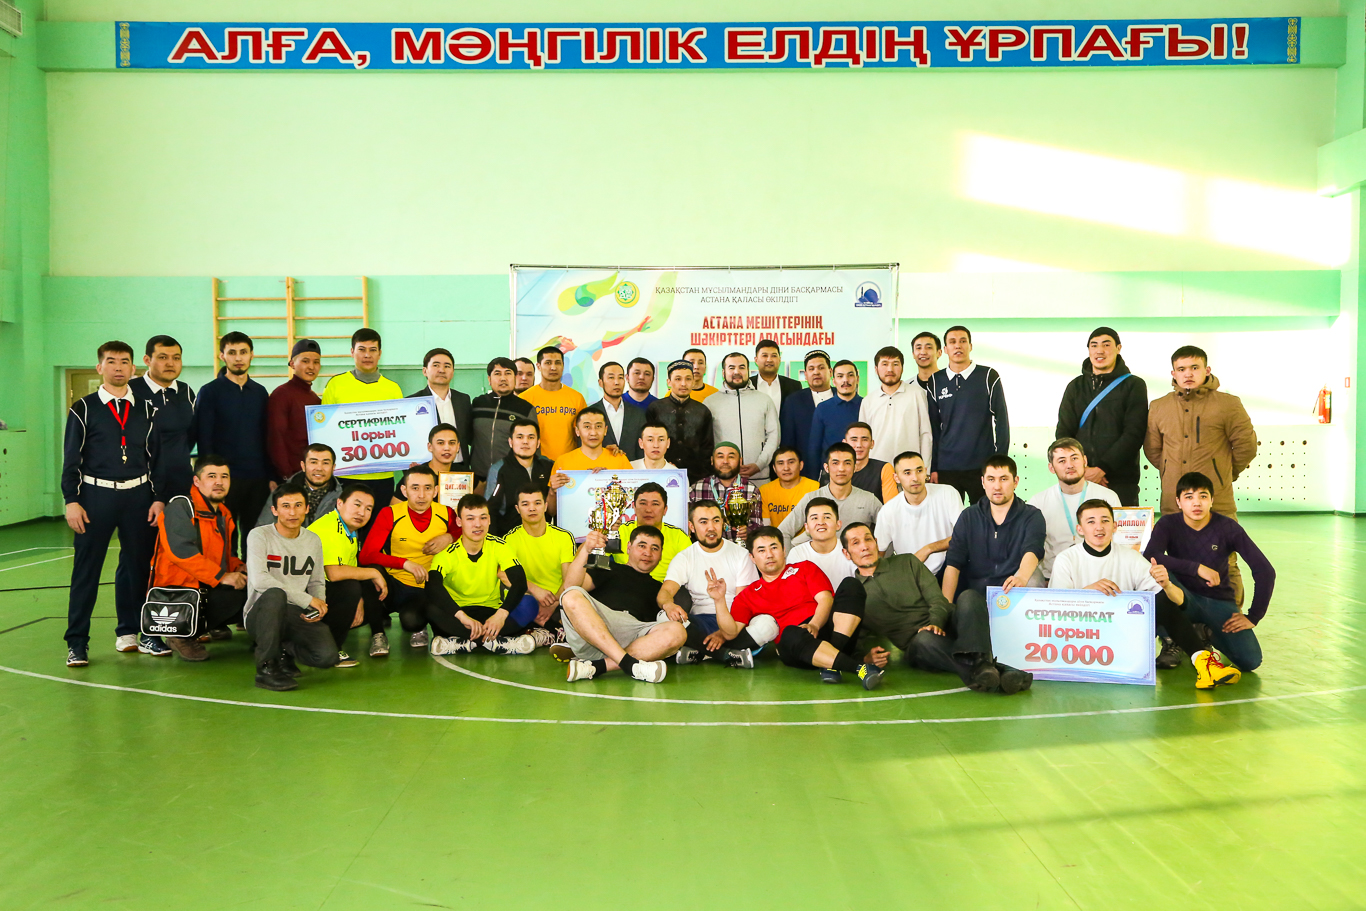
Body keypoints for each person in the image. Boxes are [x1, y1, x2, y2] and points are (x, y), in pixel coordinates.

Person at [1057, 498, 1243, 688]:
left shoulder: (1130, 557)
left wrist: (1167, 584)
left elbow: (1174, 602)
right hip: (1082, 633)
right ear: (1080, 529)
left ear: (1115, 526)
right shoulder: (1066, 559)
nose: (1099, 527)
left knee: (1161, 599)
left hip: (1120, 630)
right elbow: (1053, 607)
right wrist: (1088, 592)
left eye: (1105, 520)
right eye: (1091, 522)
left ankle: (1204, 663)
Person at [62, 340, 169, 666]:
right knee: (87, 571)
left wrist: (158, 499)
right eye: (111, 361)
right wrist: (71, 501)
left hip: (138, 497)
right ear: (100, 367)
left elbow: (156, 459)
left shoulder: (148, 409)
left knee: (139, 568)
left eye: (124, 361)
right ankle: (77, 643)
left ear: (133, 368)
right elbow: (71, 459)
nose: (118, 367)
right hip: (96, 497)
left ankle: (137, 633)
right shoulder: (83, 409)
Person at [844, 523, 1031, 694]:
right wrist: (865, 658)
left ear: (876, 542)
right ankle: (998, 670)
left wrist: (935, 622)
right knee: (924, 638)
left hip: (949, 622)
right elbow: (852, 641)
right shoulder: (855, 594)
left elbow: (937, 598)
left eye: (868, 539)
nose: (865, 546)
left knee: (969, 596)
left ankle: (986, 670)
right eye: (856, 543)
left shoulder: (907, 562)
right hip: (920, 645)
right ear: (846, 553)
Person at [1144, 345, 1258, 604]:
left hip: (1218, 501)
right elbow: (1153, 450)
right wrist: (1170, 473)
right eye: (1182, 369)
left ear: (1207, 370)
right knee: (1176, 562)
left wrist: (1224, 474)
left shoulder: (1228, 404)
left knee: (1226, 563)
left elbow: (1246, 447)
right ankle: (1187, 619)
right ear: (1173, 373)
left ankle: (1230, 617)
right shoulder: (1159, 407)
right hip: (1174, 503)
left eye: (1194, 368)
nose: (1188, 374)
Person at [699, 528, 884, 687]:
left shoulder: (805, 568)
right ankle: (857, 667)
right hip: (798, 647)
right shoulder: (748, 595)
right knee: (789, 632)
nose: (769, 554)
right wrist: (719, 600)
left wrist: (815, 624)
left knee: (851, 584)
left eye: (774, 547)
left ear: (784, 550)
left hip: (829, 631)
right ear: (752, 558)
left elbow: (825, 600)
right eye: (761, 550)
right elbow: (731, 632)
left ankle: (833, 663)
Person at [1144, 472, 1271, 675]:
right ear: (1178, 502)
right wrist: (1197, 568)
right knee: (1158, 575)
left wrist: (1254, 616)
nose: (1197, 503)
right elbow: (1150, 555)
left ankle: (1204, 632)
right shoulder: (1168, 524)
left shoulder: (1227, 528)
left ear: (1212, 500)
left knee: (1250, 660)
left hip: (1217, 601)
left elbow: (1265, 570)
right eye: (1189, 497)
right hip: (1181, 596)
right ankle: (1171, 640)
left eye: (1203, 496)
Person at [148, 455, 247, 662]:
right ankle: (180, 635)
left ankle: (210, 626)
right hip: (178, 593)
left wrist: (242, 568)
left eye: (224, 476)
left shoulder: (223, 513)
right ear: (196, 481)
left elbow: (224, 557)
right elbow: (181, 553)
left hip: (204, 585)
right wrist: (222, 577)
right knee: (235, 597)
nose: (219, 482)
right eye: (211, 476)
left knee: (257, 587)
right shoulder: (181, 507)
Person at [558, 526, 685, 683]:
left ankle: (597, 667)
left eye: (654, 548)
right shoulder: (608, 566)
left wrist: (669, 606)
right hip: (598, 625)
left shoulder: (660, 589)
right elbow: (570, 586)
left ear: (661, 555)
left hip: (633, 635)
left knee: (678, 631)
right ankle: (629, 665)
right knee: (571, 595)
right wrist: (585, 550)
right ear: (629, 547)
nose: (648, 553)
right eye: (642, 546)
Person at [244, 484, 338, 690]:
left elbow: (316, 581)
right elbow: (260, 581)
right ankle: (266, 669)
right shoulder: (259, 535)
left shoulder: (312, 540)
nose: (292, 512)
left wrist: (318, 606)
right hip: (261, 613)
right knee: (275, 594)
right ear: (274, 510)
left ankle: (283, 650)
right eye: (285, 506)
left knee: (327, 657)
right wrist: (306, 600)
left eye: (298, 505)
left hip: (294, 612)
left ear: (307, 508)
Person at [426, 494, 541, 656]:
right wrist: (462, 617)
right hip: (459, 615)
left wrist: (501, 615)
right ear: (459, 522)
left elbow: (520, 582)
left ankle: (463, 643)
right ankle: (498, 642)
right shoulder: (446, 554)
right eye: (470, 518)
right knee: (428, 606)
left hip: (491, 613)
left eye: (483, 517)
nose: (478, 524)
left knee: (529, 604)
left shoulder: (499, 546)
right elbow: (433, 586)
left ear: (489, 520)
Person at [359, 465, 457, 655]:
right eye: (415, 488)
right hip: (391, 583)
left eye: (427, 488)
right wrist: (404, 563)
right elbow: (366, 555)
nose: (421, 495)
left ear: (436, 491)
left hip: (422, 586)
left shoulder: (446, 513)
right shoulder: (390, 513)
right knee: (370, 573)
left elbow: (466, 533)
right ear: (404, 491)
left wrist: (450, 536)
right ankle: (378, 635)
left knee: (411, 621)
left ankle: (419, 626)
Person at [941, 456, 1045, 627]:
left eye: (1004, 479)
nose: (997, 486)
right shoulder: (969, 516)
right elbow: (953, 563)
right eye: (991, 479)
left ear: (1016, 481)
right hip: (974, 598)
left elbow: (1033, 549)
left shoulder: (1032, 515)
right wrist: (944, 609)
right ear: (983, 482)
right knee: (967, 599)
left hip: (1011, 593)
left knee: (1033, 579)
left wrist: (1021, 576)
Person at [1055, 328, 1149, 507]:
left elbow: (1134, 434)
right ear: (1089, 350)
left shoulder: (1134, 385)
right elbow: (1064, 433)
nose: (1100, 350)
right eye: (1094, 345)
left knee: (1118, 525)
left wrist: (1102, 469)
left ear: (1118, 348)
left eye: (1106, 345)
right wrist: (1081, 469)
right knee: (1079, 524)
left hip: (1120, 480)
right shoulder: (1075, 386)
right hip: (1080, 479)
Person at [195, 331, 270, 555]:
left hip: (257, 478)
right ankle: (227, 576)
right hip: (224, 479)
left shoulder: (260, 392)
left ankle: (252, 575)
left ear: (251, 355)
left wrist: (270, 475)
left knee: (254, 535)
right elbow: (204, 438)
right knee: (224, 535)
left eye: (243, 352)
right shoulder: (210, 392)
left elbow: (266, 436)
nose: (238, 358)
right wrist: (210, 478)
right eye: (232, 352)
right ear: (222, 356)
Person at [658, 499, 760, 663]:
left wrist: (724, 633)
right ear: (692, 527)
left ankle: (699, 651)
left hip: (735, 621)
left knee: (767, 624)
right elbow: (665, 592)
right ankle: (725, 655)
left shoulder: (741, 554)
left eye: (716, 521)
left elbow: (745, 602)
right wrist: (669, 605)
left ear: (723, 523)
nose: (711, 528)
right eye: (703, 522)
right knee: (663, 616)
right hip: (700, 624)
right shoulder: (684, 557)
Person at [319, 328, 405, 510]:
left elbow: (400, 431)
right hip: (346, 475)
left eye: (372, 350)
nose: (367, 355)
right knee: (347, 524)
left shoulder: (393, 389)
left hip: (382, 475)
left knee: (379, 525)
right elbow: (325, 432)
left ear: (380, 353)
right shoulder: (335, 385)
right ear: (352, 352)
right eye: (362, 349)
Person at [927, 327, 1009, 504]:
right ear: (945, 349)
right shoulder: (935, 381)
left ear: (970, 346)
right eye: (952, 342)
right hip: (947, 467)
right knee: (949, 517)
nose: (958, 346)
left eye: (963, 341)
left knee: (984, 515)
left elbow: (1002, 421)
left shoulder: (988, 376)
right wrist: (934, 467)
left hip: (982, 466)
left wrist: (1000, 461)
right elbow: (933, 428)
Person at [308, 483, 386, 669]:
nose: (361, 512)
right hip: (301, 594)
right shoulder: (330, 527)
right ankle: (330, 648)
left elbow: (351, 570)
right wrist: (374, 573)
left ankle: (323, 641)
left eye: (368, 509)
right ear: (340, 503)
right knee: (355, 584)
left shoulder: (349, 529)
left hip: (319, 589)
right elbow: (334, 573)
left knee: (362, 587)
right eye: (357, 505)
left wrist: (358, 600)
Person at [1027, 437, 1123, 582]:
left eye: (1074, 458)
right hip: (1052, 577)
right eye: (1062, 461)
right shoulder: (1038, 502)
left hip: (1099, 578)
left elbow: (1119, 542)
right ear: (1051, 468)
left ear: (1085, 461)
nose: (1070, 465)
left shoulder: (1108, 497)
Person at [874, 451, 962, 577]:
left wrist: (929, 548)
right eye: (907, 473)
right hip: (910, 574)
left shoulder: (947, 493)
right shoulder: (888, 510)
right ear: (896, 478)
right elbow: (878, 553)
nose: (915, 478)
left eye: (919, 471)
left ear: (925, 472)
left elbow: (964, 536)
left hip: (949, 568)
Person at [777, 443, 882, 545]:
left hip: (855, 556)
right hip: (818, 556)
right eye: (835, 463)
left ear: (855, 467)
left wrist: (879, 555)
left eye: (847, 463)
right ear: (826, 468)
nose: (841, 469)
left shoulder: (869, 500)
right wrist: (790, 556)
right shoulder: (811, 498)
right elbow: (782, 532)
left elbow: (888, 529)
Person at [503, 485, 577, 629]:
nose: (532, 508)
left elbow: (569, 579)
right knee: (524, 605)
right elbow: (503, 574)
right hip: (527, 598)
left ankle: (548, 629)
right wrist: (533, 589)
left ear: (545, 506)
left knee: (577, 604)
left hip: (559, 600)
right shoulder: (509, 540)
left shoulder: (564, 536)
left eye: (537, 503)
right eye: (525, 504)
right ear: (518, 509)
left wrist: (553, 604)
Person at [705, 351, 780, 483]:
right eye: (731, 368)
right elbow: (706, 442)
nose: (737, 372)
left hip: (760, 478)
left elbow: (774, 435)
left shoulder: (764, 400)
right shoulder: (710, 402)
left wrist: (759, 464)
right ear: (723, 372)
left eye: (742, 367)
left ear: (748, 371)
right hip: (723, 479)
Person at [859, 345, 934, 468]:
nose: (890, 369)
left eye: (895, 364)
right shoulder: (868, 401)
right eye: (885, 364)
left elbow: (925, 434)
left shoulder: (917, 394)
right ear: (876, 369)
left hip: (910, 469)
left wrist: (925, 469)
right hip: (877, 469)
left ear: (902, 368)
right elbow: (862, 439)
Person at [141, 335, 197, 499]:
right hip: (143, 485)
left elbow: (192, 433)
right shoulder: (130, 392)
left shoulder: (186, 391)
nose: (170, 363)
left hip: (181, 482)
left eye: (176, 358)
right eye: (163, 357)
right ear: (147, 360)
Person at [646, 359, 715, 482]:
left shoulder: (702, 411)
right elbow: (648, 443)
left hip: (696, 477)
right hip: (661, 474)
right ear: (669, 382)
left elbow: (707, 447)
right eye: (678, 379)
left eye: (688, 379)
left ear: (693, 382)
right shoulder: (655, 408)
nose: (683, 384)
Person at [486, 418, 559, 535]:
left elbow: (554, 511)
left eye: (531, 437)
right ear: (510, 442)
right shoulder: (499, 469)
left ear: (538, 443)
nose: (525, 442)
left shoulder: (549, 466)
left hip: (543, 537)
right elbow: (490, 510)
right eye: (520, 437)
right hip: (508, 537)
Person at [471, 357, 537, 483]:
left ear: (514, 378)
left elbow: (533, 447)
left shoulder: (525, 409)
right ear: (489, 379)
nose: (503, 378)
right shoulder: (478, 404)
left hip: (512, 476)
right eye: (497, 374)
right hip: (478, 478)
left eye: (508, 373)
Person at [609, 482, 692, 581]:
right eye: (643, 503)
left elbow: (692, 571)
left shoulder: (678, 536)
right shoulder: (619, 531)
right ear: (634, 507)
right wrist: (606, 532)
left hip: (663, 588)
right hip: (623, 585)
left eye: (655, 504)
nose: (648, 510)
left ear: (665, 509)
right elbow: (596, 561)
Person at [266, 339, 322, 482]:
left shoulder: (315, 399)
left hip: (311, 475)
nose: (311, 366)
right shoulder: (281, 395)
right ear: (292, 364)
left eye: (316, 362)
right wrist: (286, 475)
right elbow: (276, 438)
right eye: (305, 361)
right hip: (291, 478)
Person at [521, 345, 588, 461]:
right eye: (548, 363)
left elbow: (585, 434)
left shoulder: (577, 398)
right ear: (539, 366)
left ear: (563, 366)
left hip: (569, 464)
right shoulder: (525, 398)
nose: (553, 367)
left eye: (557, 363)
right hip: (536, 464)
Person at [254, 443, 343, 529]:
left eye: (325, 463)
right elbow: (261, 529)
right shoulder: (281, 493)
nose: (319, 468)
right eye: (313, 462)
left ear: (333, 467)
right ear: (303, 466)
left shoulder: (344, 496)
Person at [409, 347, 473, 467]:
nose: (442, 370)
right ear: (425, 371)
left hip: (459, 467)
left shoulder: (463, 399)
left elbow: (469, 435)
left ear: (453, 372)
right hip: (427, 469)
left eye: (447, 366)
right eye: (436, 365)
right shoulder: (413, 402)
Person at [688, 443, 763, 543]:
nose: (725, 461)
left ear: (740, 461)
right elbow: (689, 525)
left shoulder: (751, 490)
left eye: (731, 457)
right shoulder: (697, 489)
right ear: (712, 460)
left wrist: (748, 531)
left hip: (741, 549)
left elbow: (758, 525)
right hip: (707, 549)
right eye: (720, 457)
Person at [779, 350, 834, 480]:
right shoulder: (793, 401)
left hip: (840, 471)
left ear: (830, 372)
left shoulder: (843, 397)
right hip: (806, 472)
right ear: (805, 374)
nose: (816, 372)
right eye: (811, 369)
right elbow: (788, 441)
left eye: (821, 367)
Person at [787, 497, 857, 586]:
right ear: (807, 527)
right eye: (814, 518)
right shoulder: (797, 554)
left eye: (827, 517)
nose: (820, 522)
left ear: (838, 524)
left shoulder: (851, 549)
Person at [585, 361, 645, 461]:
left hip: (631, 468)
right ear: (600, 383)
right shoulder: (589, 414)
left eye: (620, 377)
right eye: (611, 377)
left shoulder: (638, 413)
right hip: (600, 467)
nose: (617, 382)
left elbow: (642, 449)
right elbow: (583, 447)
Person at [808, 359, 862, 468]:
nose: (845, 380)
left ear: (857, 379)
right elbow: (814, 447)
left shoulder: (867, 405)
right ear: (834, 381)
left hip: (862, 470)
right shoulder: (823, 408)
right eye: (840, 376)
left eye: (850, 375)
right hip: (830, 471)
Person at [393, 424, 462, 504]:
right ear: (430, 447)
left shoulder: (465, 474)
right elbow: (394, 508)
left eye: (452, 443)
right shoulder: (415, 475)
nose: (447, 448)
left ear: (458, 447)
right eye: (440, 443)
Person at [830, 422, 896, 503]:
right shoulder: (833, 469)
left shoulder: (884, 468)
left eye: (864, 440)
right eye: (854, 440)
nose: (859, 445)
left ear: (872, 444)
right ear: (845, 443)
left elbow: (891, 506)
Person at [552, 408, 633, 473]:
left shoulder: (619, 459)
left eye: (598, 426)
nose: (593, 433)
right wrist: (553, 488)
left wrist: (607, 477)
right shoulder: (563, 462)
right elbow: (554, 488)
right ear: (577, 431)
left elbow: (632, 487)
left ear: (605, 430)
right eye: (587, 427)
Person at [758, 446, 819, 527]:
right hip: (774, 535)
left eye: (791, 462)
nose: (786, 468)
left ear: (801, 465)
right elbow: (766, 525)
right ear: (774, 468)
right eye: (780, 463)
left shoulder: (815, 488)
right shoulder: (765, 490)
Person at [749, 338, 801, 412]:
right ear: (756, 360)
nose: (769, 360)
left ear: (779, 359)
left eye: (774, 356)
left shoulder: (794, 386)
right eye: (765, 355)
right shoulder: (747, 385)